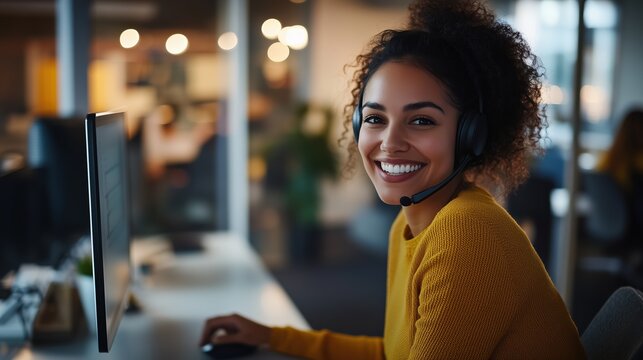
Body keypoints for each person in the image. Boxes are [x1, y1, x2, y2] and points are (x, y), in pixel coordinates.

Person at [200, 0, 586, 358]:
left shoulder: (468, 232)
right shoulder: (411, 222)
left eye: (421, 121)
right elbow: (394, 352)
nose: (390, 142)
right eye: (375, 118)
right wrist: (272, 337)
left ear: (471, 136)